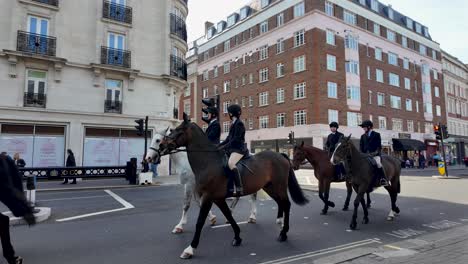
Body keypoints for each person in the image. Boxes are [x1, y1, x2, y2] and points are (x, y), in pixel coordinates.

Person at [218, 104, 248, 196]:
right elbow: (228, 138)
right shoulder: (233, 124)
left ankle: (239, 188)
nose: (228, 114)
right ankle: (229, 187)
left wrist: (225, 146)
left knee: (231, 163)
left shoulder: (239, 123)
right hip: (232, 148)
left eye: (229, 112)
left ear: (232, 113)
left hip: (239, 149)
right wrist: (218, 145)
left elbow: (236, 139)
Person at [359, 120, 388, 186]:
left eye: (364, 127)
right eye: (363, 127)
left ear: (369, 127)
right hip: (365, 155)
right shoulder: (362, 136)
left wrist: (375, 152)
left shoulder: (377, 135)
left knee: (378, 164)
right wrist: (361, 153)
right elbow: (361, 147)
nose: (363, 128)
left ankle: (383, 179)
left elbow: (378, 146)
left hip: (374, 154)